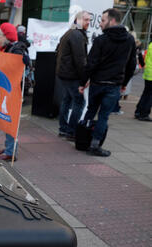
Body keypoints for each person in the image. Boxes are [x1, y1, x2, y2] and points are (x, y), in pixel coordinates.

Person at [79, 8, 137, 157]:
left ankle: (82, 140)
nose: (100, 24)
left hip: (98, 83)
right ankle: (95, 145)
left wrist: (83, 82)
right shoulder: (129, 40)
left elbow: (91, 63)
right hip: (114, 85)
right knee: (104, 116)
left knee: (91, 110)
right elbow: (131, 64)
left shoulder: (101, 40)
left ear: (112, 21)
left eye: (103, 20)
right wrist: (124, 82)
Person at [0, 22, 30, 162]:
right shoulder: (7, 49)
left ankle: (10, 152)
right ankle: (8, 147)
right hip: (7, 91)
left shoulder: (16, 50)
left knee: (10, 121)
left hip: (13, 92)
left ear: (6, 36)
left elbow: (13, 68)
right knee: (6, 120)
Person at [55, 11, 90, 141]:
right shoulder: (76, 34)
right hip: (71, 75)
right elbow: (80, 60)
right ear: (77, 19)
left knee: (67, 100)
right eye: (86, 19)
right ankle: (70, 131)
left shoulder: (71, 33)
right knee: (79, 102)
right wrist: (84, 79)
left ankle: (64, 129)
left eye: (89, 20)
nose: (88, 22)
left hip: (65, 74)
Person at [134, 41, 151, 121]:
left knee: (146, 94)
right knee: (149, 96)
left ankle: (138, 112)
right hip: (151, 74)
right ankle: (144, 114)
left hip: (148, 73)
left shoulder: (151, 45)